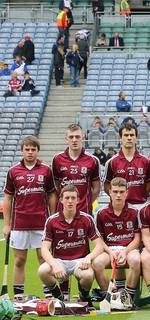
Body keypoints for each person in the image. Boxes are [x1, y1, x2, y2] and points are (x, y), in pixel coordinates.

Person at [3, 136, 57, 299]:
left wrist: (53, 218)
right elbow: (8, 198)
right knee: (19, 260)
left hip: (41, 224)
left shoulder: (46, 170)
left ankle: (49, 296)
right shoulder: (13, 171)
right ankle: (19, 298)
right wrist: (7, 224)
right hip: (20, 224)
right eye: (27, 149)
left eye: (33, 149)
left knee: (43, 260)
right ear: (22, 151)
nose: (30, 152)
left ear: (37, 151)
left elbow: (52, 195)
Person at [38, 185, 106, 303]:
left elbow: (99, 245)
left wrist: (88, 258)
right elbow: (44, 249)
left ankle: (84, 296)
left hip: (79, 261)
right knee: (42, 271)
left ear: (78, 200)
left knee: (89, 275)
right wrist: (54, 265)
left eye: (73, 198)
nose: (70, 201)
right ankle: (59, 298)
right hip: (59, 260)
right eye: (67, 198)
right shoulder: (52, 221)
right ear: (61, 200)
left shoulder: (87, 219)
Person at [93, 177, 142, 304]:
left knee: (136, 261)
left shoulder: (135, 212)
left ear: (127, 192)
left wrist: (125, 252)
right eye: (115, 192)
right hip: (109, 249)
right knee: (97, 263)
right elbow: (99, 240)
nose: (118, 195)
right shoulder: (101, 213)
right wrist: (110, 253)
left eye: (121, 192)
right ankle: (109, 297)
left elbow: (137, 239)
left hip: (130, 248)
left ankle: (128, 298)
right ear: (110, 192)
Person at [51, 124, 100, 216]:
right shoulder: (57, 159)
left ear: (83, 138)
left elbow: (96, 188)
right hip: (63, 211)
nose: (74, 140)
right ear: (66, 139)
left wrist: (86, 202)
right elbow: (56, 187)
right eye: (71, 137)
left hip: (84, 211)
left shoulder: (93, 160)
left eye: (77, 137)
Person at [102, 124, 150, 210]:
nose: (129, 138)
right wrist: (118, 198)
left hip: (141, 206)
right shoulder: (111, 162)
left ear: (136, 137)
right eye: (126, 135)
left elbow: (149, 184)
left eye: (132, 135)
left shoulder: (145, 161)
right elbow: (107, 185)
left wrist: (141, 197)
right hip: (120, 207)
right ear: (120, 138)